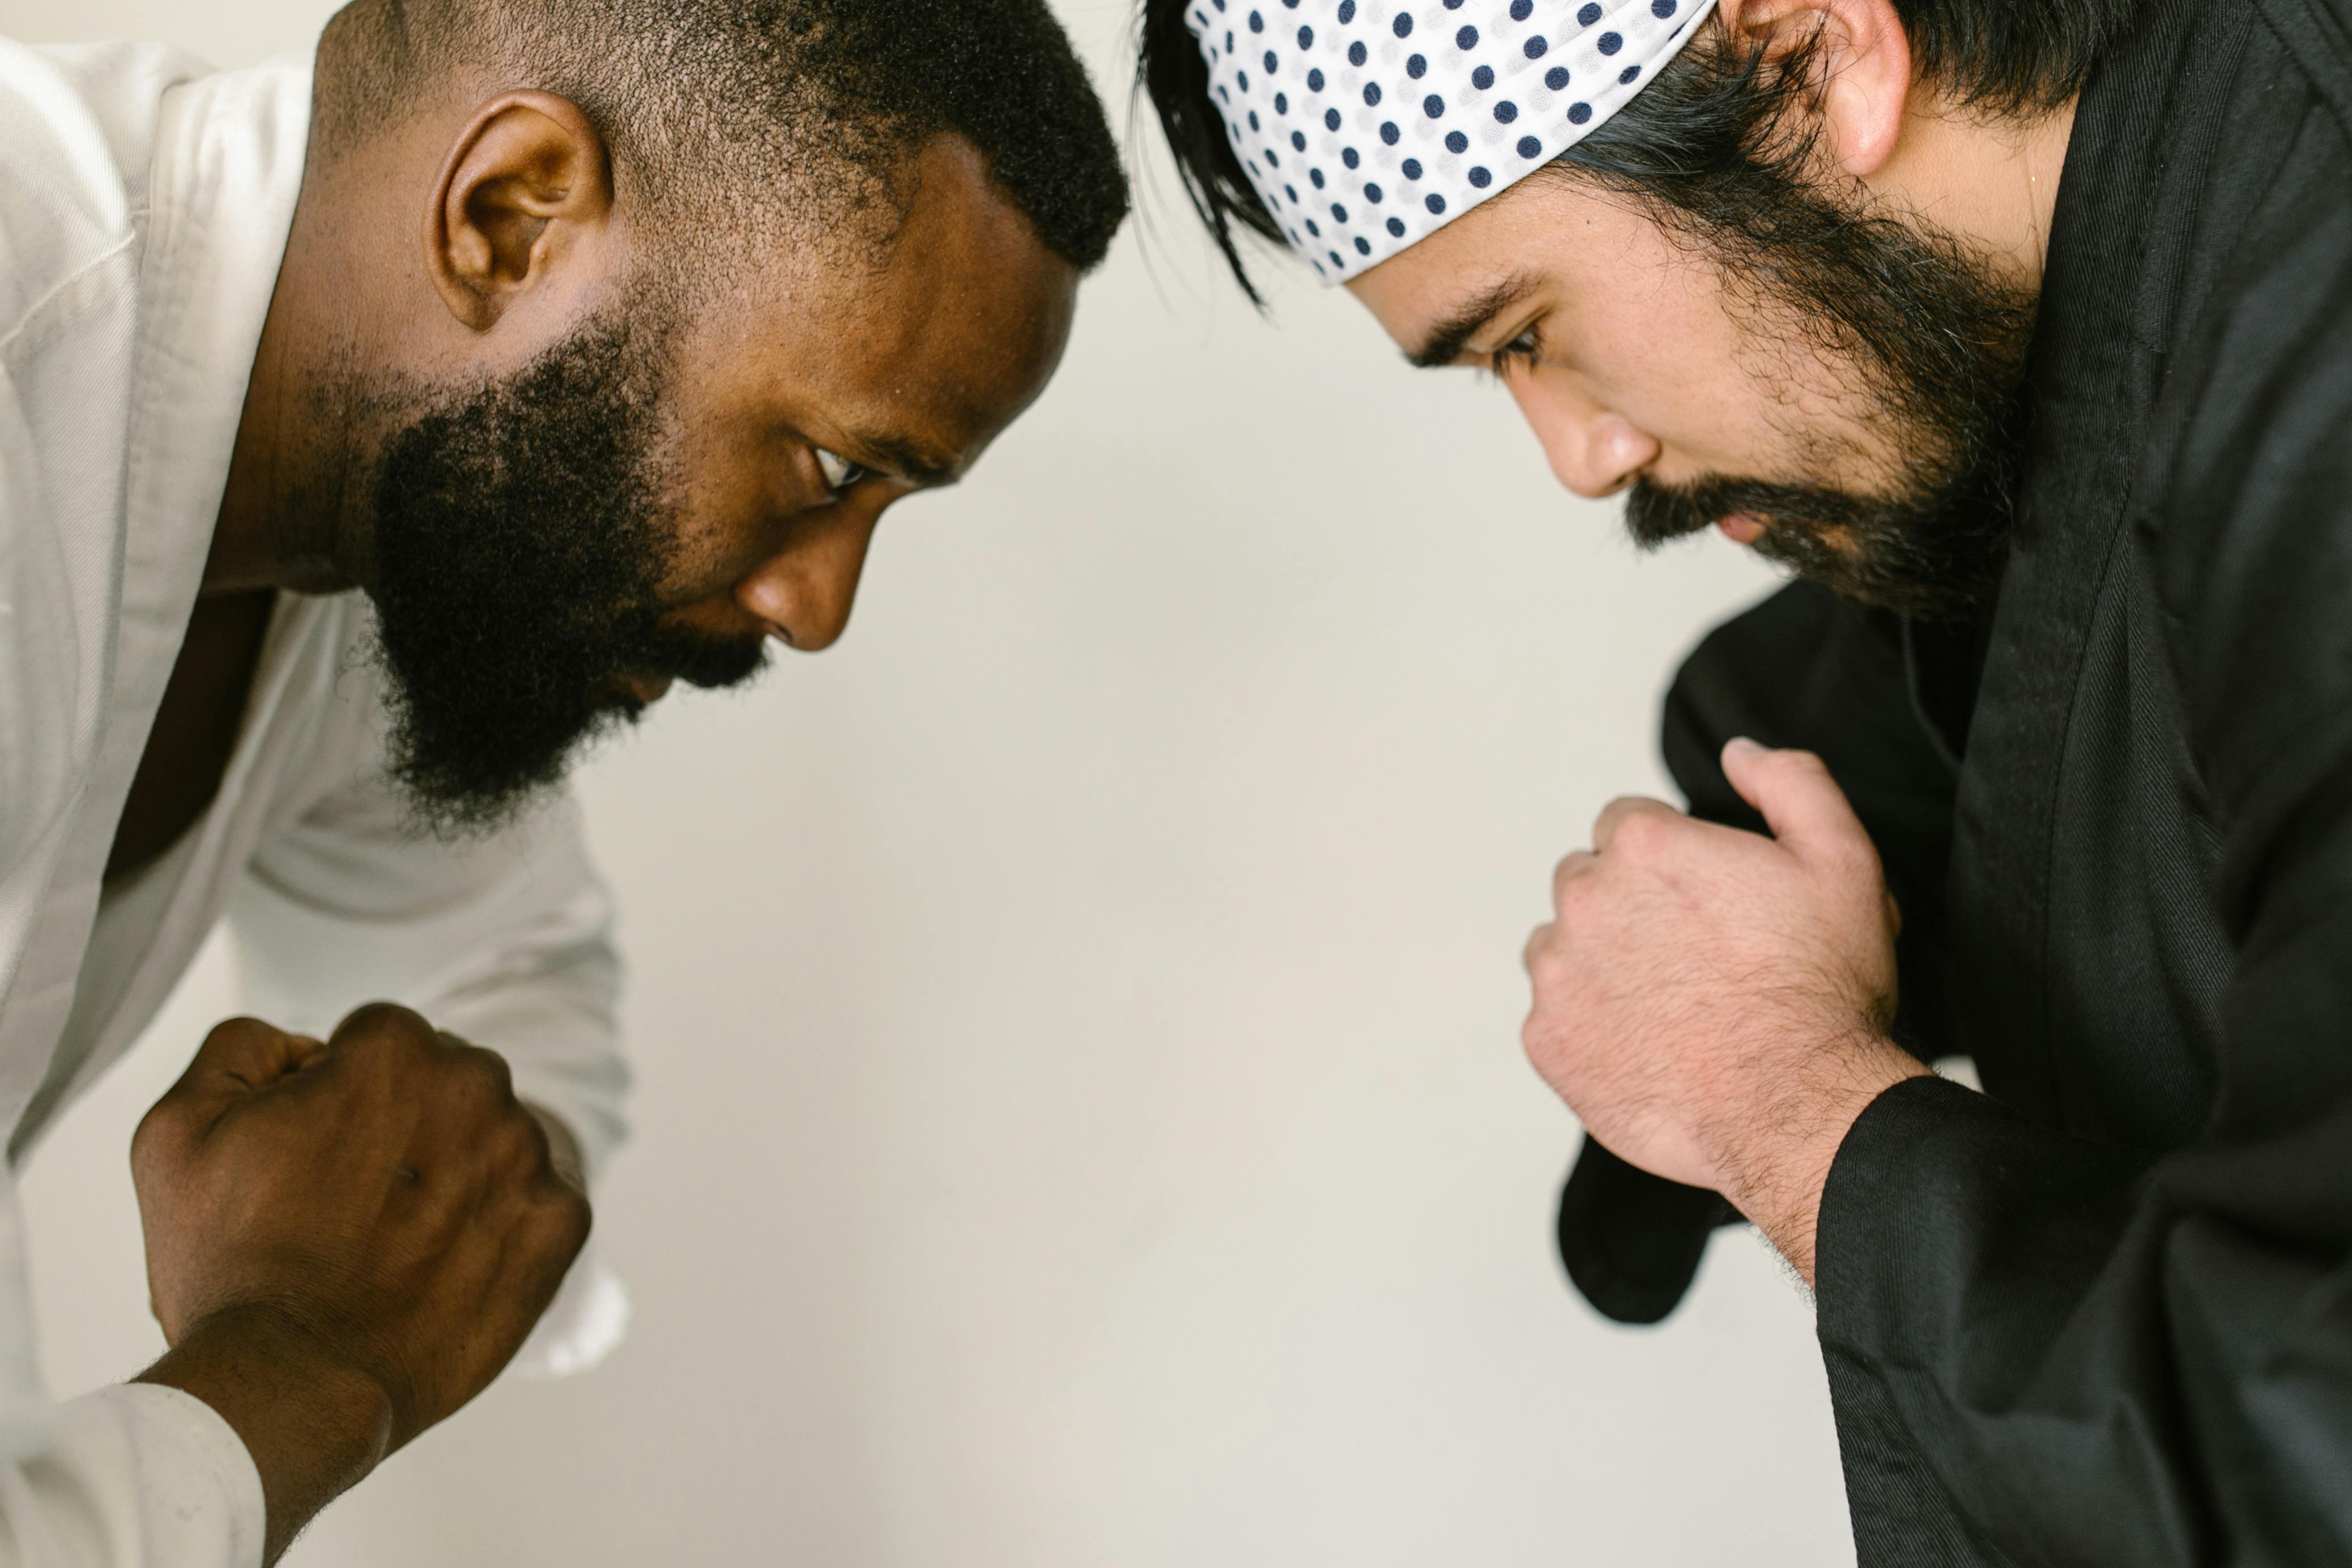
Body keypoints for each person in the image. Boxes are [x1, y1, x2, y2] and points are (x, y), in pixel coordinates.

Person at [1143, 0, 2352, 1561]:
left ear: (1813, 54)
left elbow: (2314, 1442)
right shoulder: (2135, 252)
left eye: (1526, 333)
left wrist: (1789, 1110)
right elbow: (1968, 671)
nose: (1578, 456)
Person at [0, 0, 1127, 1561]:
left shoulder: (380, 517)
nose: (820, 609)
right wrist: (307, 1368)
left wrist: (390, 1242)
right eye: (833, 469)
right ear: (512, 218)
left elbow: (503, 1001)